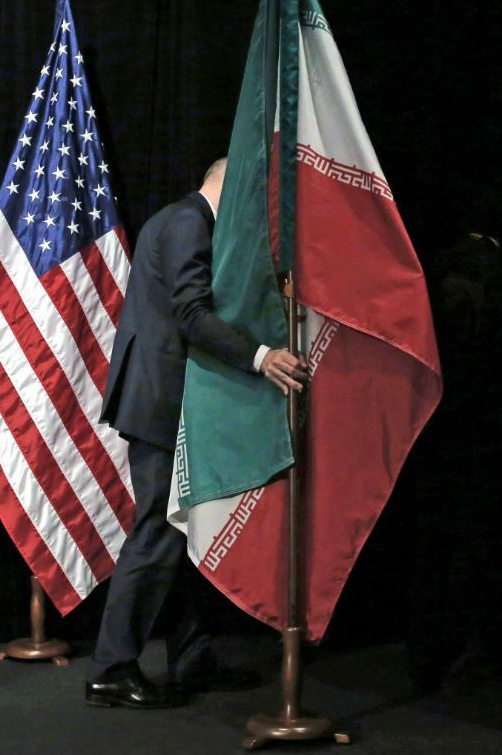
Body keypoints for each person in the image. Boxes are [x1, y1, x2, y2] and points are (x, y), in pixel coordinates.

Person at [86, 158, 307, 709]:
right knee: (158, 532)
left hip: (169, 398)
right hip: (161, 400)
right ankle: (110, 668)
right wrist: (261, 357)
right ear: (226, 188)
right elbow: (190, 314)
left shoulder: (182, 221)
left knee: (181, 533)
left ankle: (191, 656)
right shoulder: (188, 223)